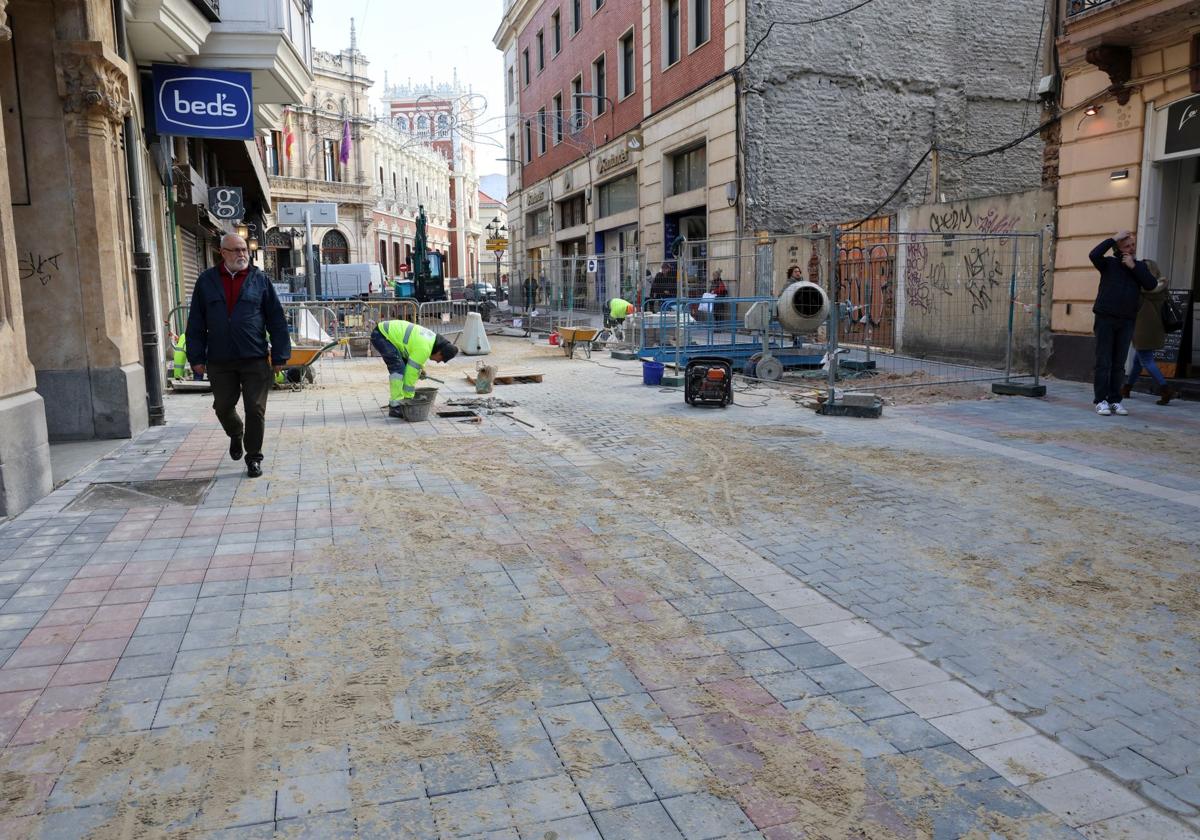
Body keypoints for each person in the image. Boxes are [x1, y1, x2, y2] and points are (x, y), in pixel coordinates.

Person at [186, 233, 290, 478]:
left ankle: (253, 457)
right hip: (220, 359)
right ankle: (235, 432)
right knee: (222, 406)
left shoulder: (260, 280)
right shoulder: (206, 281)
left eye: (244, 249)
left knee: (255, 409)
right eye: (235, 250)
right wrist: (196, 357)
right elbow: (196, 323)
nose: (242, 254)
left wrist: (280, 355)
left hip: (254, 356)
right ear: (222, 252)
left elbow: (276, 320)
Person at [1089, 230, 1158, 416]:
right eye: (1127, 245)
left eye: (1133, 245)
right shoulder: (1108, 264)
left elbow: (1151, 284)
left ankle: (1115, 400)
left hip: (1127, 319)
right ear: (1118, 248)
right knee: (1104, 361)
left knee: (1119, 363)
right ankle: (1101, 400)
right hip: (1105, 317)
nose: (1131, 248)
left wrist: (1133, 267)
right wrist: (1113, 238)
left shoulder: (1140, 266)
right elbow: (1093, 255)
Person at [370, 320, 459, 417]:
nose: (438, 362)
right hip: (382, 336)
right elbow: (410, 375)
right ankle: (395, 407)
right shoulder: (425, 349)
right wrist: (409, 400)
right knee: (398, 369)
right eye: (441, 359)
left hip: (384, 333)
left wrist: (420, 369)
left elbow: (413, 356)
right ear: (439, 352)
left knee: (402, 367)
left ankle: (397, 400)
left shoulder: (431, 340)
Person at [1123, 261, 1175, 406]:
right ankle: (1127, 388)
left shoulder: (1140, 287)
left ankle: (1165, 389)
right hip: (1155, 326)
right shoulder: (1161, 285)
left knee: (1146, 360)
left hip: (1141, 327)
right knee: (1137, 361)